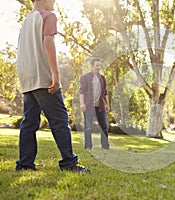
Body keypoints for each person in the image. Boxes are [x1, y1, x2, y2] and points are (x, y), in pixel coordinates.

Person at [15, 0, 90, 172]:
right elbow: (48, 41)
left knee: (29, 122)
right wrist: (55, 73)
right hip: (43, 77)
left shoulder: (26, 21)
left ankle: (25, 164)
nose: (54, 3)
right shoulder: (48, 16)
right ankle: (69, 163)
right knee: (60, 119)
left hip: (27, 78)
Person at [79, 58, 110, 150]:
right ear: (92, 66)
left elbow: (105, 93)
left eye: (100, 65)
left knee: (104, 126)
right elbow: (82, 91)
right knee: (88, 127)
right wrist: (82, 104)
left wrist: (107, 104)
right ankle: (88, 146)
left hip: (100, 106)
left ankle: (105, 146)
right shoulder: (85, 78)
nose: (99, 67)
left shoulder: (102, 78)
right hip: (88, 106)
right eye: (97, 65)